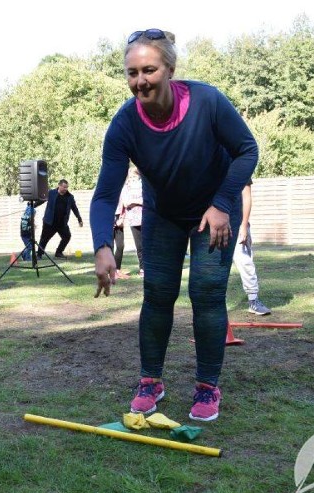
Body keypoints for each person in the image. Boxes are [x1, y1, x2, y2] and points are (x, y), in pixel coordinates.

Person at [90, 29, 258, 422]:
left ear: (170, 69)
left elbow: (247, 150)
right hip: (163, 214)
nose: (139, 81)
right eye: (131, 73)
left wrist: (221, 203)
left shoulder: (207, 101)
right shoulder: (125, 124)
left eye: (148, 70)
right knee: (158, 294)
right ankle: (151, 381)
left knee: (206, 292)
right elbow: (103, 195)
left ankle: (207, 386)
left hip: (214, 211)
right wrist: (101, 245)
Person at [234, 179, 271, 315]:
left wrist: (243, 225)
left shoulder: (241, 163)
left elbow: (246, 196)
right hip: (215, 224)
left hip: (237, 224)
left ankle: (253, 301)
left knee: (245, 262)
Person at [38, 179, 83, 259]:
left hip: (62, 223)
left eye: (67, 187)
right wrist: (33, 205)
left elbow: (74, 208)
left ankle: (58, 252)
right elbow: (42, 200)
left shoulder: (70, 197)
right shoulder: (51, 193)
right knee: (44, 238)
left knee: (67, 236)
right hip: (49, 222)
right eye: (64, 187)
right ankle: (39, 255)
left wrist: (79, 219)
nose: (66, 189)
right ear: (59, 185)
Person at [123, 167, 145, 277]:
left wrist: (135, 202)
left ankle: (151, 266)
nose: (132, 179)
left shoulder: (143, 185)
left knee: (148, 244)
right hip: (133, 220)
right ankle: (142, 268)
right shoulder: (126, 188)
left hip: (145, 218)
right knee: (139, 246)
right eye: (130, 177)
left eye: (134, 176)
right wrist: (136, 202)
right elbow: (126, 203)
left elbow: (147, 200)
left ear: (138, 176)